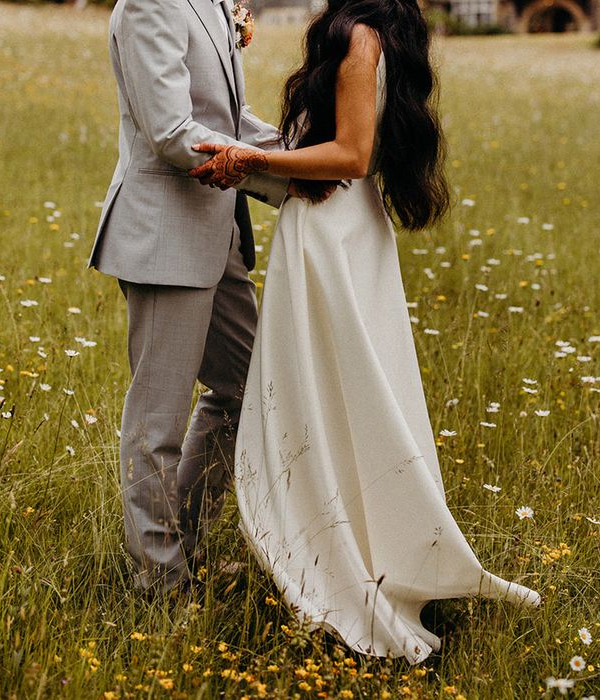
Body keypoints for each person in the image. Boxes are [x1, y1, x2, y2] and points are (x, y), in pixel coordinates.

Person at [189, 0, 541, 663]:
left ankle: (344, 558)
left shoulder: (356, 38)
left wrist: (244, 156)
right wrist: (254, 165)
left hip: (331, 238)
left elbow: (350, 156)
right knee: (349, 396)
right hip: (349, 231)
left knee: (325, 399)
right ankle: (366, 543)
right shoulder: (377, 36)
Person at [86, 0, 292, 596]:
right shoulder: (151, 3)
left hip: (219, 233)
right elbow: (172, 132)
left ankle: (179, 539)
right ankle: (159, 583)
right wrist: (281, 175)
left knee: (245, 388)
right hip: (164, 236)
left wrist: (307, 156)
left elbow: (228, 117)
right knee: (158, 421)